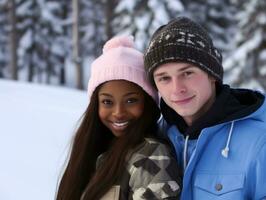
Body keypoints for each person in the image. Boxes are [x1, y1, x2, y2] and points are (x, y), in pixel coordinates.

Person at [144, 16, 266, 200]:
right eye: (164, 78)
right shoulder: (153, 139)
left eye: (187, 73)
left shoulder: (259, 142)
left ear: (212, 75)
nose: (177, 89)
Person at [56, 35, 181, 200]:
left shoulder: (151, 156)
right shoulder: (96, 151)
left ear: (148, 102)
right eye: (107, 102)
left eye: (131, 100)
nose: (118, 112)